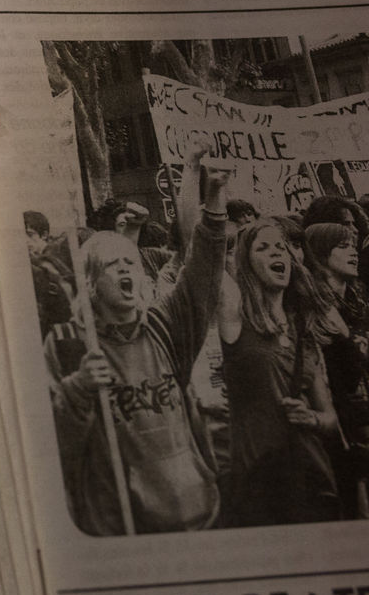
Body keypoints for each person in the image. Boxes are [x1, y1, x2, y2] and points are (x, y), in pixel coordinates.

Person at [43, 156, 228, 535]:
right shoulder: (67, 344)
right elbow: (51, 447)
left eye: (131, 262)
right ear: (91, 282)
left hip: (199, 510)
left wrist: (214, 199)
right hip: (125, 527)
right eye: (113, 264)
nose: (127, 268)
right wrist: (78, 389)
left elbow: (202, 274)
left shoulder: (163, 325)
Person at [218, 217, 341, 526]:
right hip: (259, 484)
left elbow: (330, 419)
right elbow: (201, 249)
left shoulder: (303, 331)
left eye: (280, 247)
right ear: (246, 263)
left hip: (312, 481)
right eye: (263, 248)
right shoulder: (236, 321)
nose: (276, 253)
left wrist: (310, 417)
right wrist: (210, 193)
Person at [303, 222, 369, 517]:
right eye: (343, 246)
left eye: (353, 245)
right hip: (344, 430)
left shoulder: (357, 302)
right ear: (319, 255)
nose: (353, 251)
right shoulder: (314, 312)